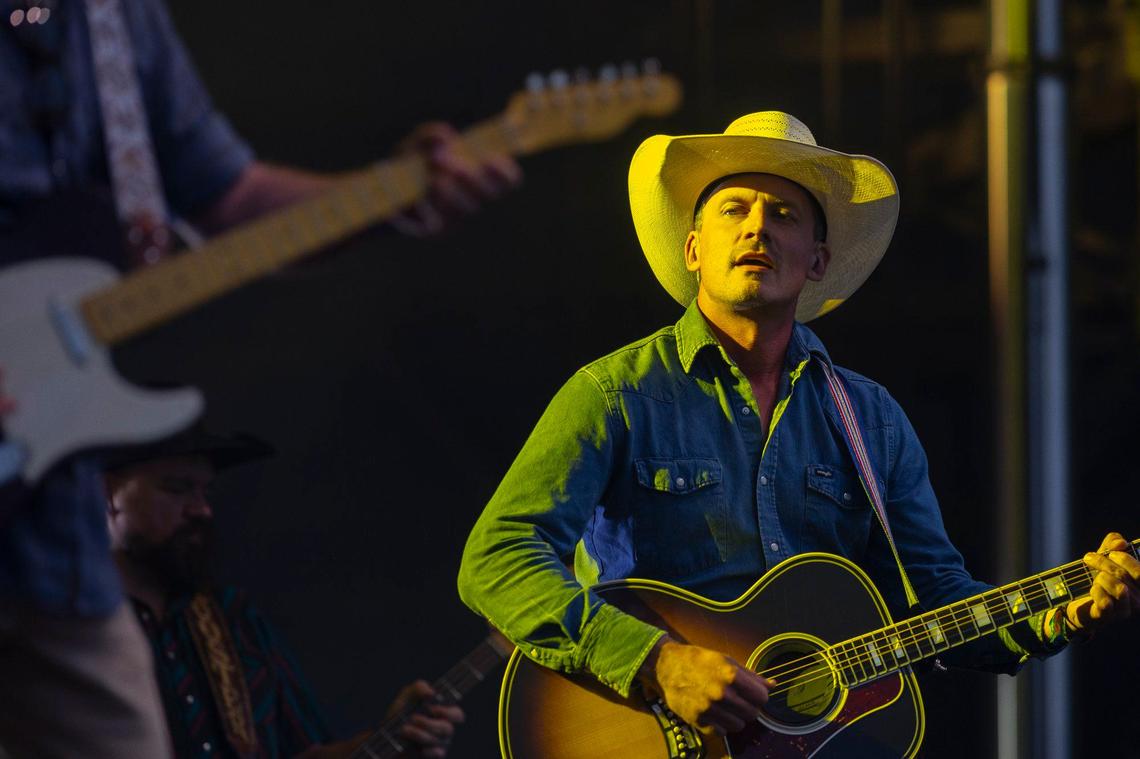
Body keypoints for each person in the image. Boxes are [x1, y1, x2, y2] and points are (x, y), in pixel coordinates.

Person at [457, 111, 1140, 740]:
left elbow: (937, 600)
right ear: (694, 248)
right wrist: (656, 661)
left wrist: (1063, 611)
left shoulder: (871, 420)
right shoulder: (615, 393)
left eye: (783, 214)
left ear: (817, 261)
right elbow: (496, 559)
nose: (757, 228)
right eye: (734, 209)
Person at [0, 1, 518, 755]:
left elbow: (232, 197)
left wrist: (394, 194)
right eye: (177, 486)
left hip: (53, 547)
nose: (200, 506)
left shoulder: (114, 18)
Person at [103, 425, 465, 759]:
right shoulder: (78, 631)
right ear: (106, 494)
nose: (202, 509)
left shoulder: (232, 618)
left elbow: (306, 752)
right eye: (177, 488)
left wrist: (392, 740)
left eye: (205, 491)